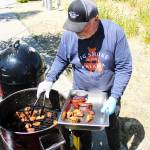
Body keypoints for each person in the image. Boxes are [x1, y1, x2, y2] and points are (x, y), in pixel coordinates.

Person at [37, 0, 132, 149]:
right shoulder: (70, 35)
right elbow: (62, 58)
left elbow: (124, 67)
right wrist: (49, 79)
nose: (77, 32)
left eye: (82, 27)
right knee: (81, 130)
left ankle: (115, 147)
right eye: (74, 27)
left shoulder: (114, 33)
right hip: (80, 94)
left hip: (107, 93)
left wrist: (114, 96)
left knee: (111, 124)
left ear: (96, 19)